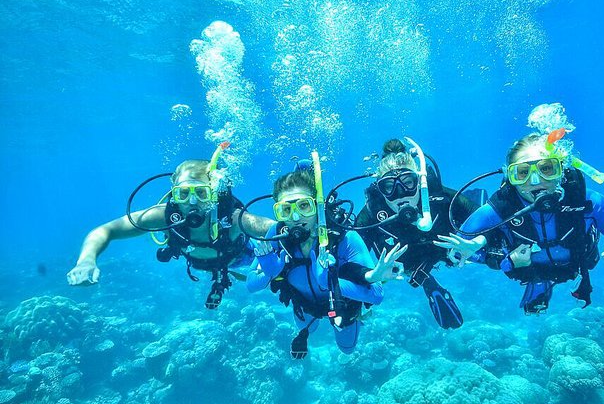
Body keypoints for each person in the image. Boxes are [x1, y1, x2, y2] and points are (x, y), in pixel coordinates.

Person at [435, 127, 604, 314]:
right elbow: (457, 250)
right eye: (522, 173)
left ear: (561, 170)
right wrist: (496, 257)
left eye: (546, 169)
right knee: (506, 251)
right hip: (525, 269)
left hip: (576, 265)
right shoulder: (500, 208)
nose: (535, 181)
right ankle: (538, 284)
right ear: (510, 178)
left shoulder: (588, 202)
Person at [67, 143, 274, 309]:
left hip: (239, 257)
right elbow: (104, 230)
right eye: (183, 194)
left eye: (201, 193)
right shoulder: (164, 215)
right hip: (198, 261)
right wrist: (86, 260)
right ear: (174, 193)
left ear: (213, 193)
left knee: (263, 267)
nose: (192, 202)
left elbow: (273, 227)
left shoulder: (233, 218)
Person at [246, 154, 405, 358]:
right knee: (307, 328)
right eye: (285, 210)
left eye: (304, 206)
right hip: (303, 307)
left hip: (343, 309)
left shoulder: (344, 237)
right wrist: (268, 273)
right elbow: (250, 284)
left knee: (347, 349)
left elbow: (377, 294)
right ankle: (307, 331)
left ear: (318, 205)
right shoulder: (276, 237)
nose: (296, 217)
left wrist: (331, 282)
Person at [353, 139, 482, 329]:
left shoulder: (440, 197)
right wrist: (369, 278)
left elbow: (485, 219)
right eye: (389, 186)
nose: (400, 193)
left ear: (420, 181)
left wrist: (478, 242)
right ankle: (426, 281)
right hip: (406, 264)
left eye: (408, 182)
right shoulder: (372, 213)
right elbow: (351, 258)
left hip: (446, 250)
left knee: (493, 255)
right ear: (380, 189)